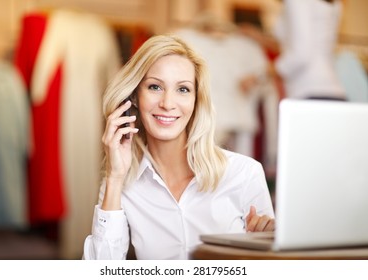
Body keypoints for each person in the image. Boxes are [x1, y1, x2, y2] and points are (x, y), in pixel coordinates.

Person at [83, 35, 275, 260]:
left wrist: (266, 248)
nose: (167, 103)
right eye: (155, 87)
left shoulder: (244, 173)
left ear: (196, 100)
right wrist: (115, 178)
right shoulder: (120, 183)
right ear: (134, 95)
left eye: (182, 90)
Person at [273, 0, 346, 100]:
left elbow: (300, 54)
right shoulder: (335, 4)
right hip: (332, 90)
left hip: (308, 89)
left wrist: (271, 71)